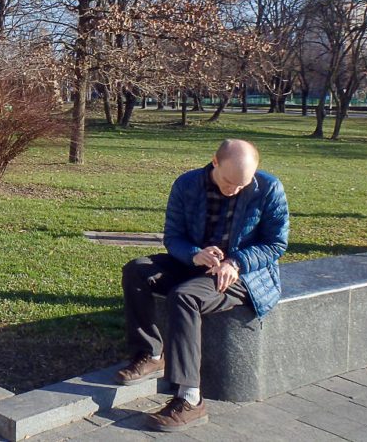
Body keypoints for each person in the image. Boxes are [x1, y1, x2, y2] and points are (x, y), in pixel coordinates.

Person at [116, 139, 288, 432]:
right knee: (137, 270)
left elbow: (276, 243)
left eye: (241, 185)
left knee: (184, 297)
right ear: (215, 162)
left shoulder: (269, 188)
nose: (234, 189)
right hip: (194, 264)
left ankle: (190, 399)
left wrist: (235, 262)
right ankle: (152, 355)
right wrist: (195, 254)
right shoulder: (187, 184)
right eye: (229, 181)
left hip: (245, 275)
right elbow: (173, 237)